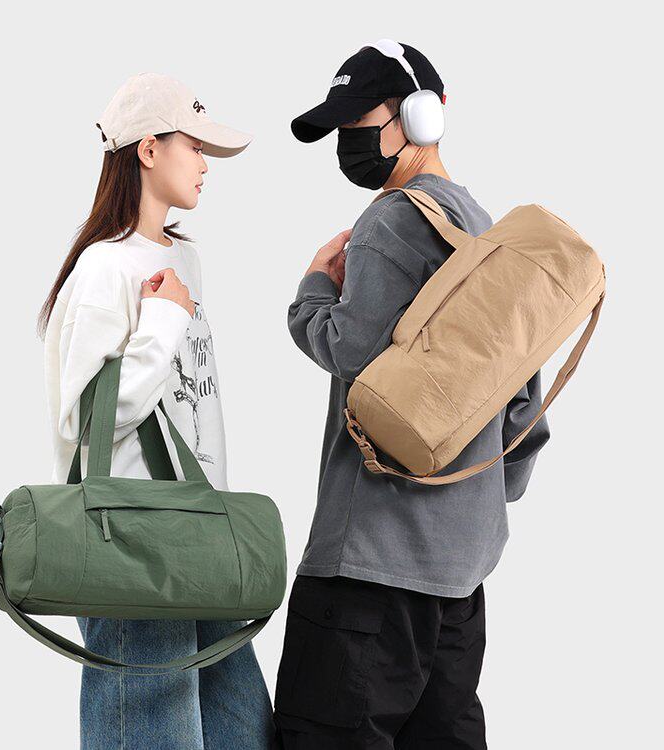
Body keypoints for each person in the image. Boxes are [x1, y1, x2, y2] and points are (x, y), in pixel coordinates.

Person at [272, 41, 551, 749]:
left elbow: (350, 350)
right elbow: (526, 410)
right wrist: (470, 499)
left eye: (358, 122)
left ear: (423, 115)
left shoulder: (391, 220)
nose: (348, 140)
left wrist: (313, 289)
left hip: (367, 569)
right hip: (460, 583)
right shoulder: (488, 231)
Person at [38, 73, 273, 750]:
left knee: (245, 734)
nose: (204, 164)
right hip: (132, 544)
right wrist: (163, 321)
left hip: (199, 534)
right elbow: (90, 421)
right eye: (194, 147)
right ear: (148, 150)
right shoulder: (103, 269)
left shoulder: (185, 258)